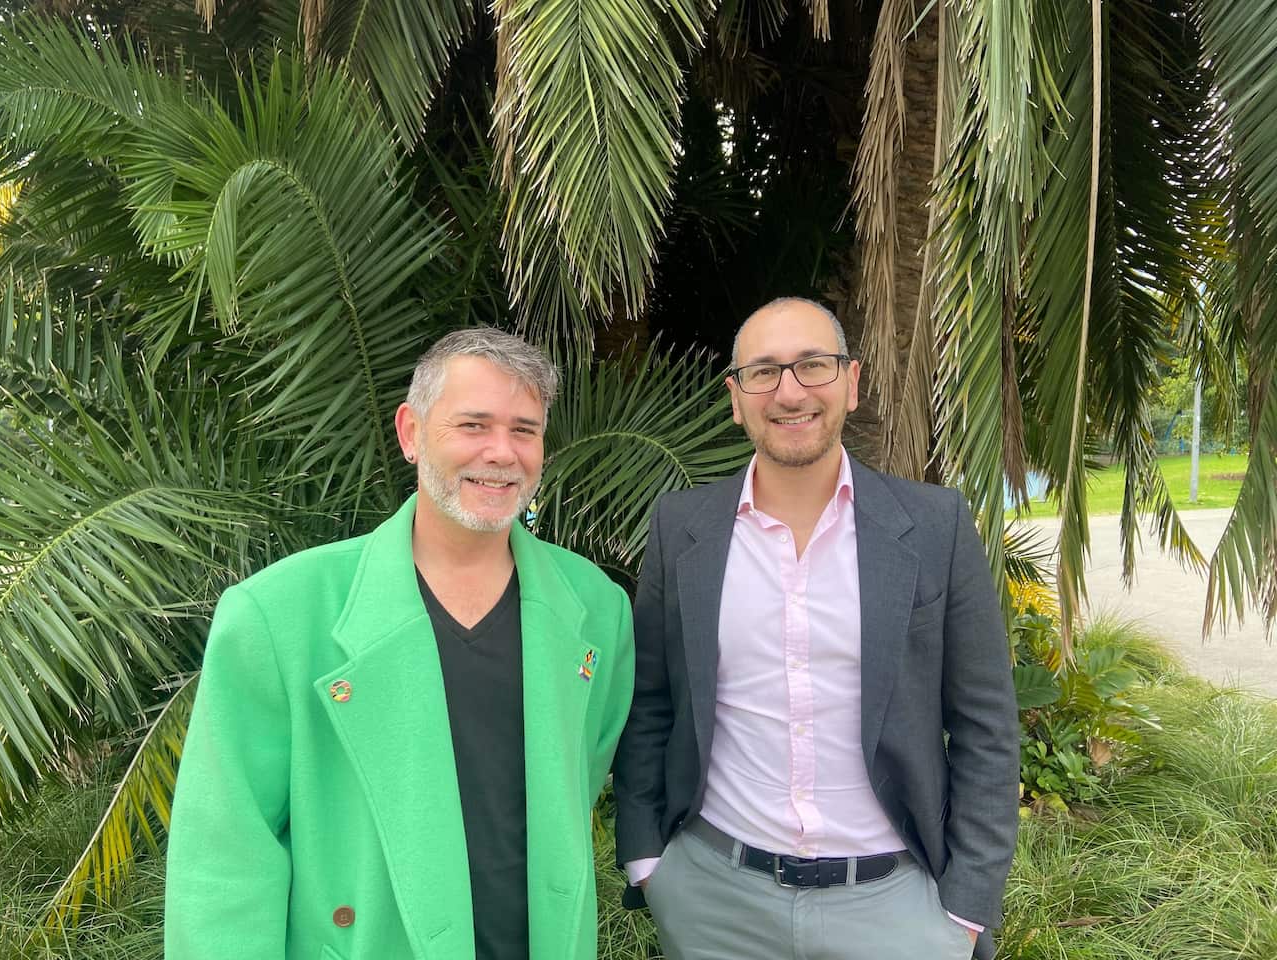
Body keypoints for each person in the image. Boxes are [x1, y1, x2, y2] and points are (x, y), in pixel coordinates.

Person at [166, 328, 634, 960]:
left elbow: (581, 772)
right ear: (411, 433)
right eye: (473, 425)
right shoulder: (278, 614)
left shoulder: (596, 611)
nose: (502, 452)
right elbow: (225, 855)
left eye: (524, 430)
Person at [613, 298, 1018, 960]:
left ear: (851, 383)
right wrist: (648, 862)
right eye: (764, 372)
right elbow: (650, 704)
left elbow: (987, 726)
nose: (790, 391)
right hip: (715, 902)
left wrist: (965, 907)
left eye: (812, 365)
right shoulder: (682, 527)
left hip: (896, 908)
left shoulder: (935, 525)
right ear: (736, 398)